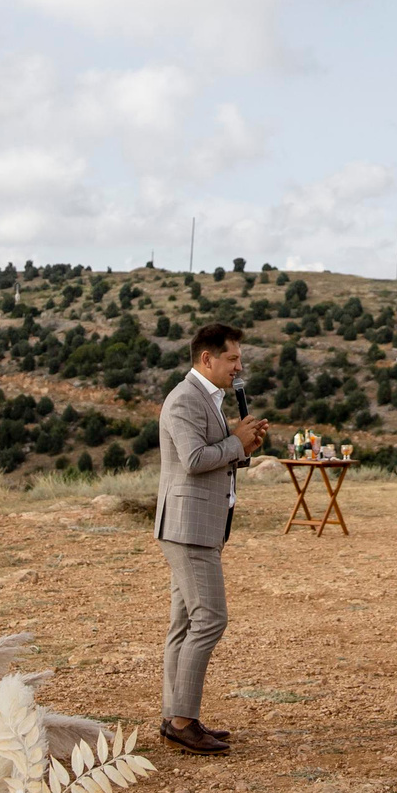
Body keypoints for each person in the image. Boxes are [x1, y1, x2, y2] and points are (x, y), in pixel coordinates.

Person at [153, 323, 269, 755]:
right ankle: (183, 720)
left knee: (184, 624)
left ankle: (175, 716)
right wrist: (235, 443)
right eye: (233, 359)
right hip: (188, 527)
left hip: (199, 524)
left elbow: (214, 453)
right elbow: (195, 458)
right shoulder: (184, 399)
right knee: (210, 619)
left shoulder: (207, 398)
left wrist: (243, 443)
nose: (240, 367)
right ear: (207, 359)